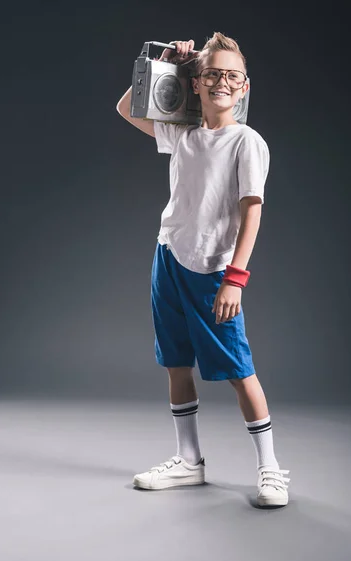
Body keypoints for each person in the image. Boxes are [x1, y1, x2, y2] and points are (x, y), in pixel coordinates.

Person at [116, 32, 290, 506]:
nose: (221, 82)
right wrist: (165, 61)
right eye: (212, 74)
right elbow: (128, 108)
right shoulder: (184, 134)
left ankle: (271, 468)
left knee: (238, 368)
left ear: (244, 86)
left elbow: (252, 210)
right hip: (169, 256)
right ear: (196, 83)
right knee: (175, 361)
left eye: (232, 76)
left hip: (213, 268)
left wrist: (236, 276)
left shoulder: (247, 142)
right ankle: (189, 461)